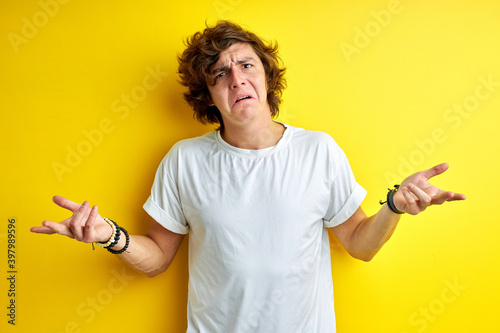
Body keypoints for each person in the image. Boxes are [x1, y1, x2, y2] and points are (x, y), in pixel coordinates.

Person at [31, 21, 466, 332]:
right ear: (208, 96)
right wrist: (109, 234)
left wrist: (393, 207)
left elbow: (359, 244)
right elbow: (158, 258)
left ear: (266, 75)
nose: (236, 78)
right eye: (220, 73)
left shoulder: (318, 150)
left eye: (246, 65)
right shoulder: (184, 160)